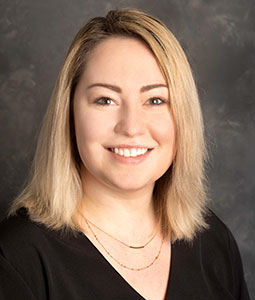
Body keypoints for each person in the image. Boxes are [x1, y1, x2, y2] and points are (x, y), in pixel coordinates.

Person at [0, 8, 250, 300]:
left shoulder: (214, 243)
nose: (131, 127)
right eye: (105, 100)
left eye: (155, 99)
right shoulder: (18, 260)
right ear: (69, 114)